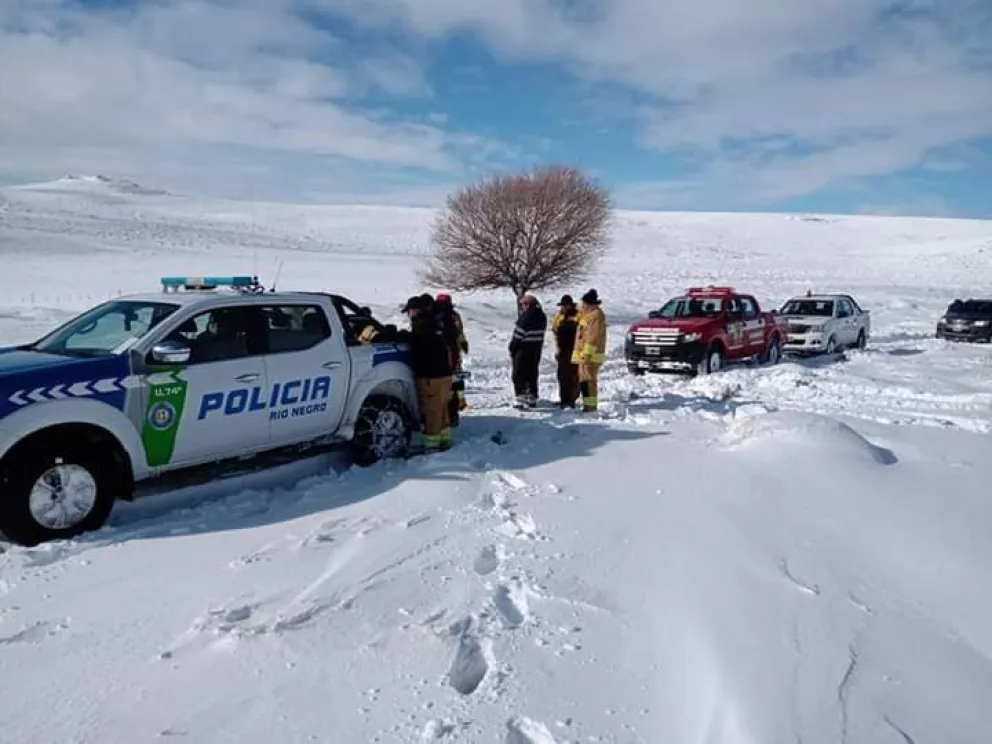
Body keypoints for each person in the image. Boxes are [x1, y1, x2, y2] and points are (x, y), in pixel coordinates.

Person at [396, 295, 454, 451]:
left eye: (410, 312)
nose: (409, 315)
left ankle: (431, 444)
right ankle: (445, 439)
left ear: (415, 311)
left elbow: (419, 345)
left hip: (431, 376)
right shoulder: (437, 323)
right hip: (444, 374)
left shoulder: (422, 326)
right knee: (442, 408)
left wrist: (401, 336)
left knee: (431, 411)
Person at [434, 293, 469, 422]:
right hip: (453, 353)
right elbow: (459, 332)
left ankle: (444, 412)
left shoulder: (432, 315)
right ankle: (457, 407)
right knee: (456, 380)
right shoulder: (454, 315)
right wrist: (464, 343)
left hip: (438, 355)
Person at [508, 293, 547, 408]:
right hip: (536, 349)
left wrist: (512, 348)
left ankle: (520, 397)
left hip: (523, 350)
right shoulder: (542, 316)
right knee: (532, 373)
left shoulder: (526, 317)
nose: (522, 307)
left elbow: (518, 335)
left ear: (528, 304)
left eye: (523, 305)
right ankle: (532, 396)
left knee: (519, 373)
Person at [571, 289, 607, 412]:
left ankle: (590, 407)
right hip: (584, 354)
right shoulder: (587, 314)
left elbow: (592, 337)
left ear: (590, 304)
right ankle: (587, 405)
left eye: (585, 303)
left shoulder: (596, 315)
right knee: (584, 381)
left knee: (589, 382)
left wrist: (587, 354)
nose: (583, 306)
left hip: (591, 356)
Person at [550, 294, 580, 408]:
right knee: (562, 375)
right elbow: (554, 329)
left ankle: (571, 399)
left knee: (573, 375)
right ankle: (564, 399)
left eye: (566, 305)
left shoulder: (578, 315)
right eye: (562, 306)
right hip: (562, 350)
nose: (564, 308)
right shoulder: (559, 316)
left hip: (574, 349)